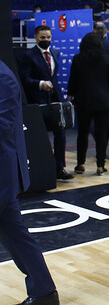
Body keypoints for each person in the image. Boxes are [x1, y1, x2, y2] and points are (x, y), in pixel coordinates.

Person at [0, 59, 60, 305]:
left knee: (14, 232)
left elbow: (2, 127)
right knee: (14, 233)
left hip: (2, 171)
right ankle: (44, 291)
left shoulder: (3, 77)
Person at [18, 25, 73, 181]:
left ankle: (59, 168)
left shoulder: (55, 53)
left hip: (55, 100)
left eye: (48, 38)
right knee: (41, 135)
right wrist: (40, 83)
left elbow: (53, 77)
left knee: (60, 133)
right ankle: (42, 168)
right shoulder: (28, 56)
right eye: (43, 38)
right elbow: (25, 79)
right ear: (36, 38)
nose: (46, 40)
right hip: (37, 100)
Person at [66, 33, 109, 175]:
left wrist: (69, 98)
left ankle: (80, 164)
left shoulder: (77, 59)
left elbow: (72, 82)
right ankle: (100, 165)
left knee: (82, 133)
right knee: (101, 134)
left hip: (83, 101)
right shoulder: (105, 59)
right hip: (104, 101)